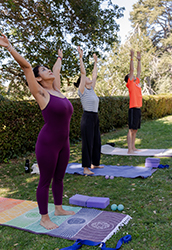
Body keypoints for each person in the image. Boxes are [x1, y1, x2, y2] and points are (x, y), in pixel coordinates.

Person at [0, 34, 75, 230]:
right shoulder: (41, 93)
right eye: (44, 70)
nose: (48, 70)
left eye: (47, 68)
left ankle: (58, 208)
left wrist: (58, 59)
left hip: (64, 142)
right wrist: (9, 47)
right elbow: (26, 67)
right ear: (39, 78)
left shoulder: (57, 89)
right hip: (48, 143)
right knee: (45, 180)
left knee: (59, 178)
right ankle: (44, 218)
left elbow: (56, 70)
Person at [74, 46, 102, 175]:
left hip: (95, 117)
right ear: (82, 83)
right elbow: (83, 73)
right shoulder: (83, 91)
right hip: (87, 117)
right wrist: (81, 58)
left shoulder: (91, 89)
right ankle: (86, 168)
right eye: (86, 78)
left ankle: (95, 163)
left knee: (96, 140)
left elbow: (94, 74)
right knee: (87, 142)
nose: (89, 78)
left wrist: (96, 62)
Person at [124, 50, 142, 154]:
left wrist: (139, 60)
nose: (134, 75)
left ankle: (133, 147)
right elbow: (132, 69)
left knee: (135, 129)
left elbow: (138, 71)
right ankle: (129, 149)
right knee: (131, 129)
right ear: (128, 79)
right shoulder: (130, 83)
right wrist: (131, 57)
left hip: (138, 108)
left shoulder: (137, 82)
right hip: (133, 108)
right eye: (131, 75)